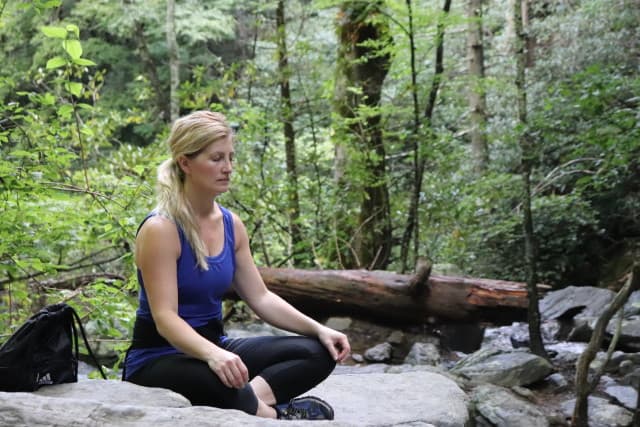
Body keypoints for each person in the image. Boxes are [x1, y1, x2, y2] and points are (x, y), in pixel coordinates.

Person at [122, 110, 350, 420]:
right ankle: (275, 415)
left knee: (319, 352)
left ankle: (249, 404)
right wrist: (214, 355)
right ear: (185, 163)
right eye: (216, 158)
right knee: (218, 380)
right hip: (158, 358)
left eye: (230, 157)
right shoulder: (161, 229)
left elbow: (261, 297)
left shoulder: (232, 225)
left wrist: (319, 330)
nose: (228, 168)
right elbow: (165, 319)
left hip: (215, 346)